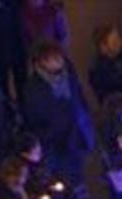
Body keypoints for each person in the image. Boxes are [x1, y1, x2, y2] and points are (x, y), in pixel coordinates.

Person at [22, 41, 94, 185]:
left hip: (79, 132)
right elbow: (36, 121)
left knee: (81, 170)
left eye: (59, 58)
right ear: (42, 62)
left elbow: (78, 93)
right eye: (54, 59)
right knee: (70, 178)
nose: (60, 62)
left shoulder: (68, 71)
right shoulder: (33, 89)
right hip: (61, 143)